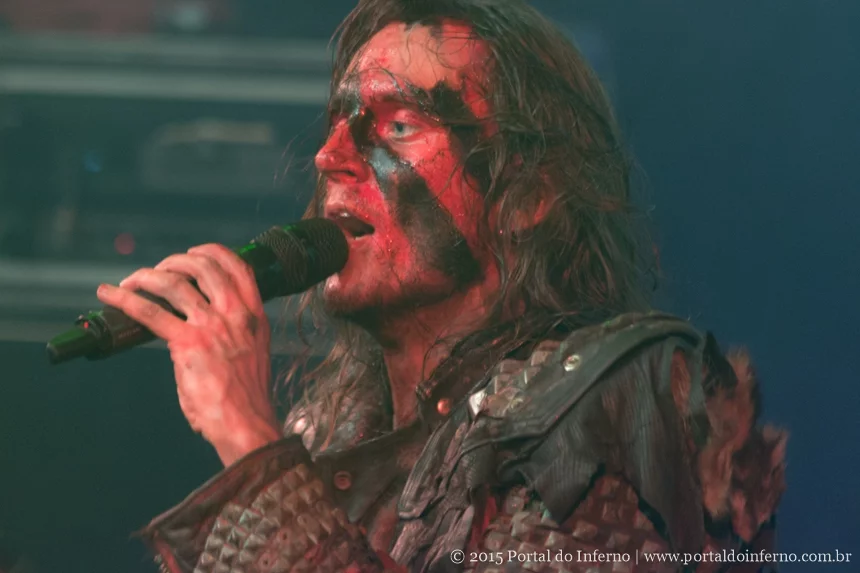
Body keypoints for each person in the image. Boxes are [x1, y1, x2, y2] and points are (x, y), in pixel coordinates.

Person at [96, 1, 788, 571]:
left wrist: (249, 444)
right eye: (338, 125)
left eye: (399, 125)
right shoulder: (330, 430)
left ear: (528, 195)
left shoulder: (628, 394)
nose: (330, 156)